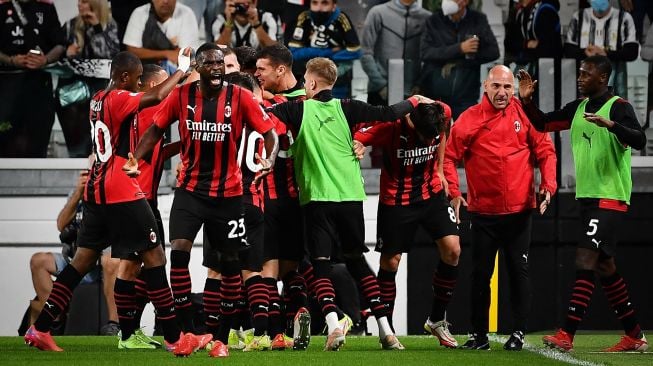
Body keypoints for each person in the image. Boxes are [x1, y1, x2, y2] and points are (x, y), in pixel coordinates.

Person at [24, 50, 201, 356]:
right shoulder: (120, 98)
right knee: (155, 256)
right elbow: (157, 94)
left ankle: (40, 328)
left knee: (81, 261)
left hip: (96, 190)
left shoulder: (97, 98)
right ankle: (175, 339)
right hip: (121, 190)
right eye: (133, 79)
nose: (135, 85)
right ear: (124, 78)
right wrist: (182, 71)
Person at [267, 56, 434, 351]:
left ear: (313, 82)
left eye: (306, 81)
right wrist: (413, 100)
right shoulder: (348, 107)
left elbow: (264, 113)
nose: (304, 86)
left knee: (321, 266)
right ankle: (386, 330)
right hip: (352, 197)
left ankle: (334, 325)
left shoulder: (298, 109)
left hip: (318, 199)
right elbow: (387, 113)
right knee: (357, 262)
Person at [124, 42, 279, 358]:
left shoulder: (240, 98)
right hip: (190, 191)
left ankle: (221, 338)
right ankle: (187, 331)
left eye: (220, 62)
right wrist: (136, 158)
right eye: (210, 63)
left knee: (231, 264)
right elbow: (155, 130)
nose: (217, 68)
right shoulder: (181, 96)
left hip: (229, 196)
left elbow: (270, 133)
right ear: (197, 66)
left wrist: (271, 159)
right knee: (178, 255)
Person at [519, 55, 649, 353]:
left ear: (602, 78)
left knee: (584, 259)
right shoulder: (577, 108)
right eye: (579, 72)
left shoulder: (619, 107)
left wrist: (612, 125)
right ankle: (634, 335)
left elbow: (639, 139)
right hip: (588, 198)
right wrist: (526, 102)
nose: (579, 77)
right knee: (605, 266)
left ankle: (566, 333)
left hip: (610, 198)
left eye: (585, 73)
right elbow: (543, 124)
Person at [444, 65, 557, 351]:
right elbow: (448, 158)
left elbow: (545, 151)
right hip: (483, 213)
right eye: (496, 86)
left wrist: (549, 185)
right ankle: (479, 335)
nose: (502, 93)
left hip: (519, 212)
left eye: (507, 87)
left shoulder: (525, 114)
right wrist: (454, 193)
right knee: (480, 275)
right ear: (485, 86)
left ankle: (518, 332)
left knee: (518, 271)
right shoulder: (468, 119)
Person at [353, 101, 461, 349]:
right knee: (390, 262)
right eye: (424, 138)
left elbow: (443, 133)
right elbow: (358, 138)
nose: (427, 143)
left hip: (431, 192)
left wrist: (441, 170)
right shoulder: (389, 126)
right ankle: (387, 329)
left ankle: (436, 319)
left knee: (453, 249)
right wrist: (358, 145)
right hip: (396, 200)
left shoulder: (443, 111)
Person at [27, 169, 119, 336]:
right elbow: (61, 225)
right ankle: (54, 320)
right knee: (38, 260)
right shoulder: (78, 193)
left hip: (102, 263)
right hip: (75, 258)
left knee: (110, 260)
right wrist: (78, 193)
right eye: (90, 171)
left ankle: (114, 325)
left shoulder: (113, 191)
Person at [0, 0, 65, 157]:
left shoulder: (46, 7)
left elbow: (60, 44)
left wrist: (46, 60)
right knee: (6, 139)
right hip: (7, 85)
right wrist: (11, 60)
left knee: (38, 137)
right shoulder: (2, 7)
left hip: (39, 84)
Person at [58, 0, 120, 158]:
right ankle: (77, 156)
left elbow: (112, 54)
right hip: (74, 85)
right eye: (79, 2)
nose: (79, 5)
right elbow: (57, 51)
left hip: (100, 84)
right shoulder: (70, 25)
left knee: (98, 121)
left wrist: (97, 27)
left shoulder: (110, 25)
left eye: (84, 2)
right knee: (74, 120)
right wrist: (67, 52)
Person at [420, 0, 500, 119]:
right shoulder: (433, 20)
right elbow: (426, 53)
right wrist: (460, 48)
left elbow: (493, 52)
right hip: (435, 92)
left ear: (465, 2)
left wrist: (464, 60)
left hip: (466, 94)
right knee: (435, 135)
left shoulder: (478, 19)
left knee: (466, 134)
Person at [360, 0, 431, 106]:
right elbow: (365, 53)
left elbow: (431, 57)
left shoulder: (427, 18)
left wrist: (420, 84)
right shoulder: (377, 13)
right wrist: (380, 85)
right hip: (380, 93)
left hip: (414, 93)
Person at [564, 0, 638, 99]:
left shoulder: (624, 18)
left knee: (613, 111)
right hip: (585, 86)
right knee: (585, 110)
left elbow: (632, 52)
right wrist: (585, 52)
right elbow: (568, 50)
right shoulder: (578, 17)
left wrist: (606, 53)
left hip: (615, 83)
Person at [288, 0, 362, 98]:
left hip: (337, 82)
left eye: (325, 3)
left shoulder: (341, 18)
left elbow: (355, 51)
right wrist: (329, 53)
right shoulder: (304, 17)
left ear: (334, 5)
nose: (319, 8)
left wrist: (312, 54)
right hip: (307, 80)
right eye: (314, 3)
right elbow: (294, 53)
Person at [123, 0, 199, 74]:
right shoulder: (139, 13)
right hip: (144, 72)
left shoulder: (186, 13)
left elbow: (186, 53)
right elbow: (132, 50)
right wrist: (167, 54)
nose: (165, 1)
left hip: (177, 74)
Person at [212, 0, 278, 49]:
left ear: (255, 3)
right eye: (238, 5)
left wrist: (257, 25)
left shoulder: (266, 18)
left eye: (245, 5)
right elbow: (218, 51)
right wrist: (229, 23)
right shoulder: (221, 19)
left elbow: (274, 51)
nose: (241, 9)